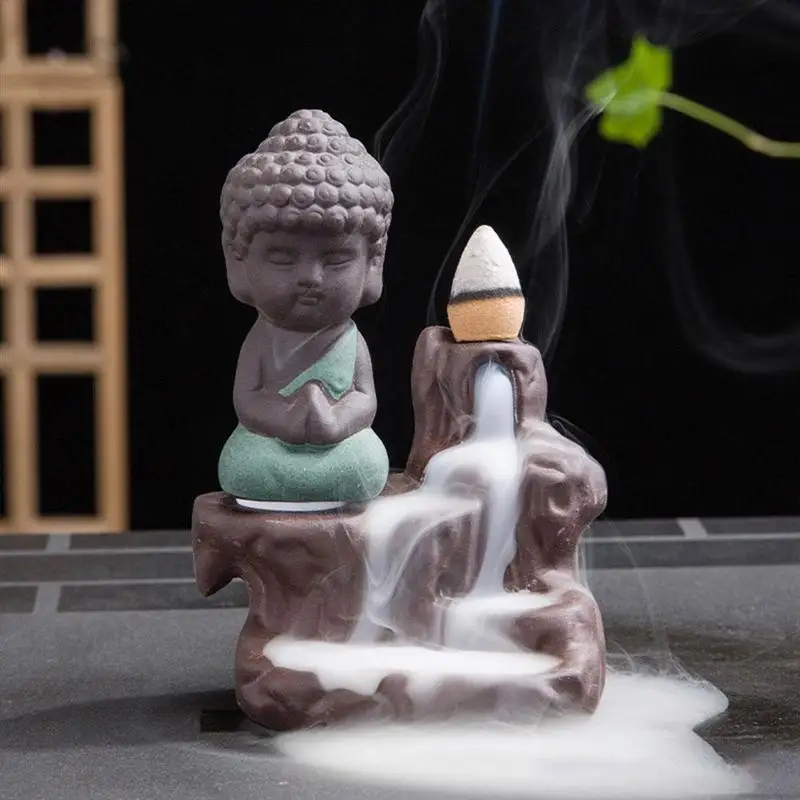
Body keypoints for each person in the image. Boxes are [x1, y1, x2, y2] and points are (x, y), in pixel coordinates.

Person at [217, 109, 393, 509]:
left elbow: (364, 398)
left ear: (373, 263)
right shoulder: (263, 338)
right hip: (271, 446)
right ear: (239, 262)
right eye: (282, 259)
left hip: (339, 447)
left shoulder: (349, 340)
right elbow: (248, 399)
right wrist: (285, 421)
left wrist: (335, 422)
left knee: (368, 463)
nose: (310, 277)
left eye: (336, 260)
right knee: (240, 465)